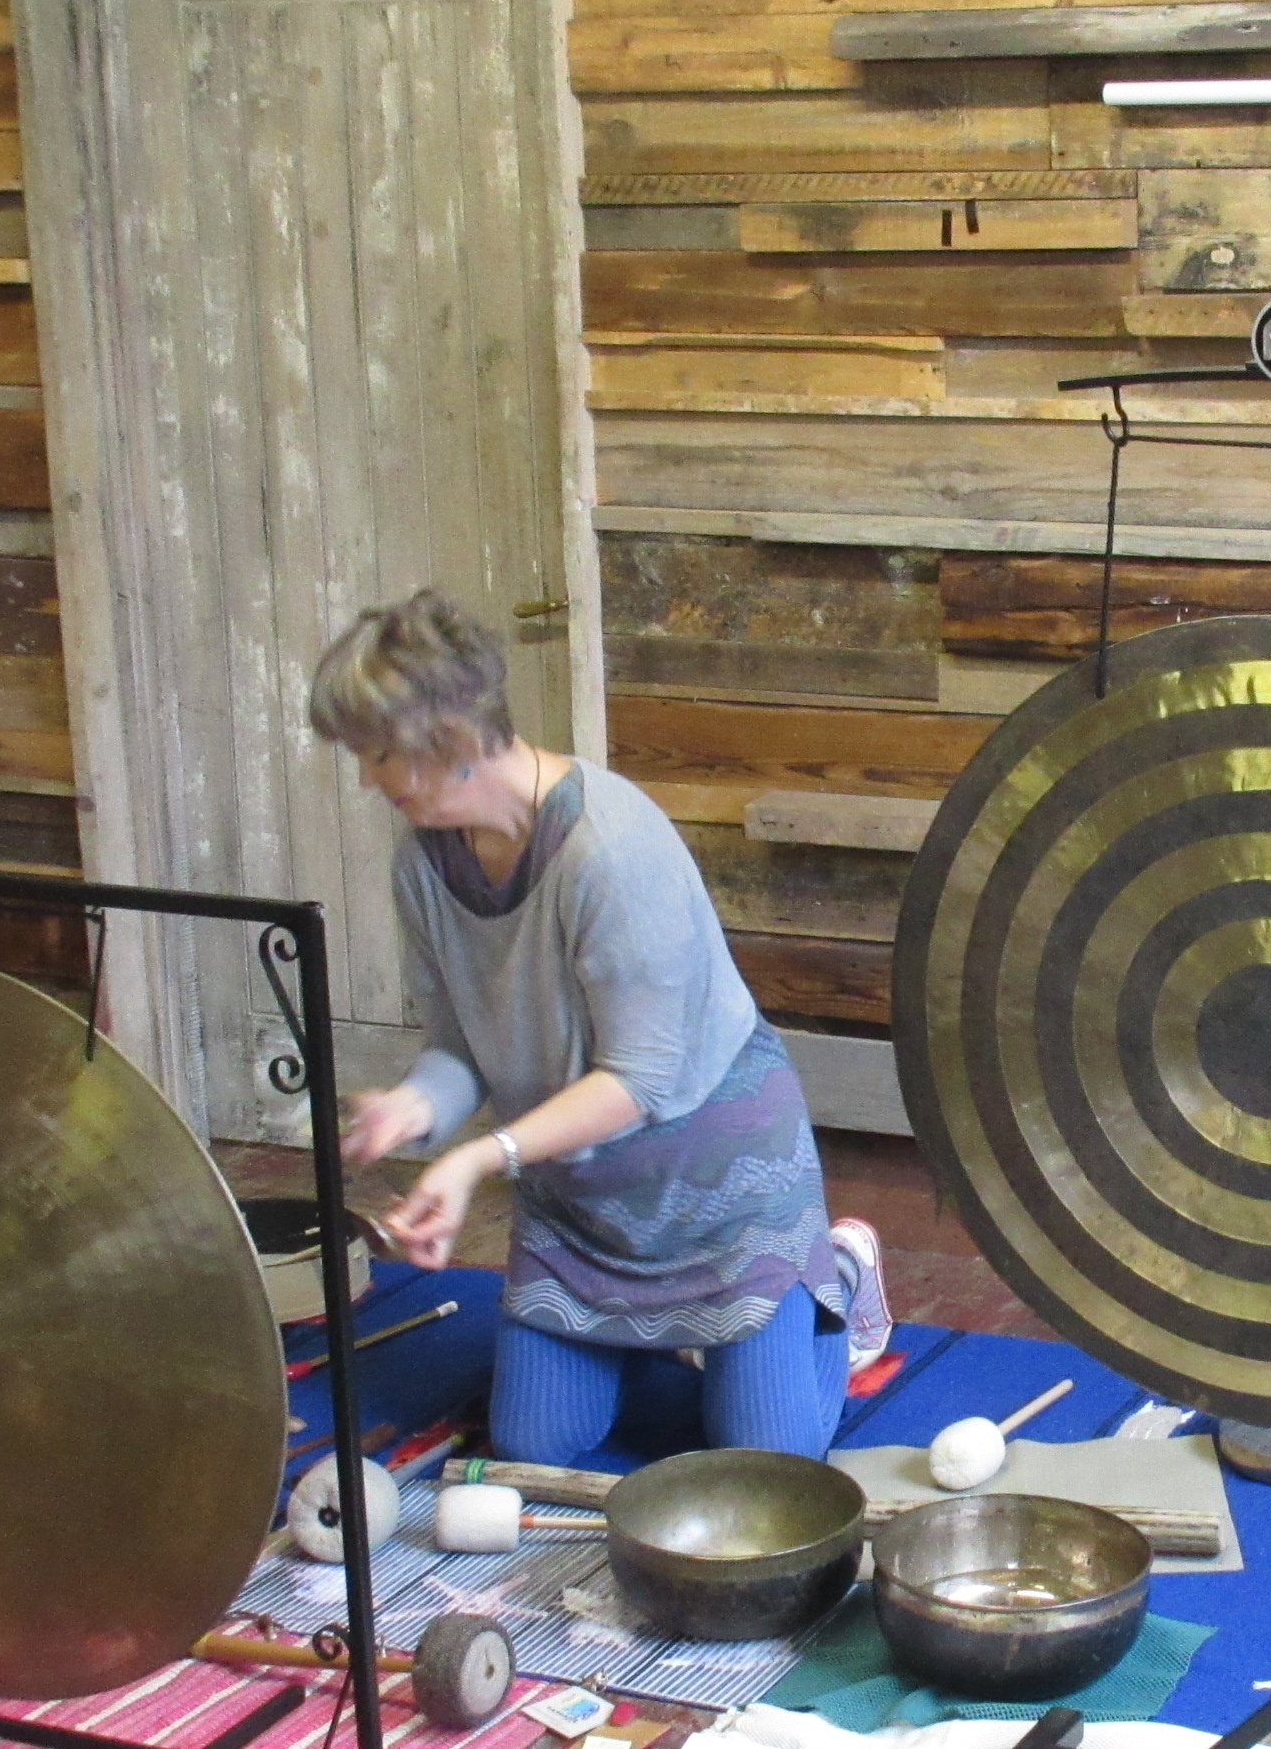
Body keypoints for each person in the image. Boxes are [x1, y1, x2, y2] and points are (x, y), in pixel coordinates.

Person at [308, 588, 888, 1462]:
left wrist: (475, 1157)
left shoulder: (611, 848)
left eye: (378, 754)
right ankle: (666, 1342)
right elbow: (460, 1046)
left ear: (451, 740)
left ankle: (832, 1281)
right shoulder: (423, 864)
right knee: (534, 1443)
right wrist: (414, 1107)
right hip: (579, 1209)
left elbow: (639, 1081)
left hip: (720, 1192)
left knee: (763, 1461)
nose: (366, 779)